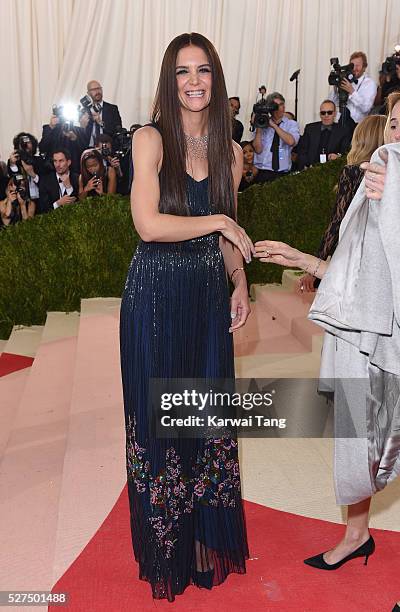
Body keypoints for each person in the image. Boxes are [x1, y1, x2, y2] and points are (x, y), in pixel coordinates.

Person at [119, 32, 253, 602]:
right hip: (154, 300)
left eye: (202, 70)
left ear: (215, 78)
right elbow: (148, 225)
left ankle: (201, 541)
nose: (193, 81)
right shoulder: (149, 140)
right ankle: (166, 550)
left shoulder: (231, 153)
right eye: (182, 72)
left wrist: (239, 279)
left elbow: (230, 234)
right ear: (168, 81)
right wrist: (219, 222)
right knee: (161, 427)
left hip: (203, 300)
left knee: (205, 423)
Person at [253, 92, 400, 598]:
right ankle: (356, 533)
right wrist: (301, 258)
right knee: (357, 434)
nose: (396, 140)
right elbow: (354, 278)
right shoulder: (374, 198)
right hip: (368, 340)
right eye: (394, 126)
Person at [298, 114, 386, 292]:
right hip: (381, 253)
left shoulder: (353, 172)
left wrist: (316, 267)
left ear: (361, 138)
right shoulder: (390, 173)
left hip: (353, 253)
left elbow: (337, 221)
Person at [252, 91, 300, 182]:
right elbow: (258, 149)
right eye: (275, 105)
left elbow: (291, 142)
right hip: (262, 172)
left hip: (282, 173)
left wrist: (274, 126)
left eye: (281, 104)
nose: (279, 108)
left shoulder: (291, 124)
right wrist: (259, 127)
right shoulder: (263, 123)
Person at [329, 51, 377, 133]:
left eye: (357, 65)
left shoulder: (370, 83)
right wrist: (335, 89)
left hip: (357, 127)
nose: (354, 68)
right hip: (339, 124)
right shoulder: (345, 79)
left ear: (364, 67)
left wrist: (351, 91)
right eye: (352, 65)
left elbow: (366, 108)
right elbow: (331, 103)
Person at [296, 100, 351, 170]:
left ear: (335, 114)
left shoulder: (343, 131)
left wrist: (337, 156)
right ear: (320, 114)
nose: (326, 115)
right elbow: (302, 151)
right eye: (323, 113)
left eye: (329, 112)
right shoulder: (310, 129)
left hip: (332, 170)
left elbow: (346, 152)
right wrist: (305, 166)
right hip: (310, 170)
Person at [38, 149, 79, 214]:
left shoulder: (77, 178)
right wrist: (58, 203)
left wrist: (69, 188)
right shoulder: (45, 181)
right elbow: (43, 209)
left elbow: (79, 202)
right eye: (55, 161)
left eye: (61, 161)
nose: (57, 165)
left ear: (68, 162)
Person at [82, 80, 122, 147]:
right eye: (93, 90)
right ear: (88, 93)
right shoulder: (84, 111)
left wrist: (101, 123)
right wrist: (83, 126)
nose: (97, 92)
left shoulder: (112, 109)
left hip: (107, 149)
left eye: (99, 88)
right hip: (89, 149)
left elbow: (117, 131)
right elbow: (81, 136)